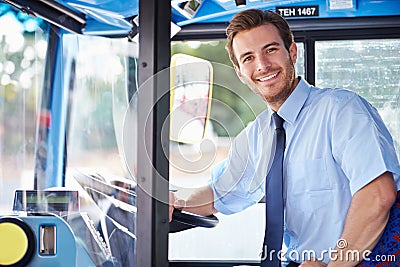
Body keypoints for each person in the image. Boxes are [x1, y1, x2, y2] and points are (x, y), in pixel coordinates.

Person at [169, 9, 400, 267]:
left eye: (270, 50)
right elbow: (219, 193)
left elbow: (378, 195)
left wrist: (336, 264)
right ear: (240, 73)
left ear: (292, 52)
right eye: (248, 58)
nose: (262, 65)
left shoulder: (342, 110)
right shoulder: (257, 135)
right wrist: (175, 202)